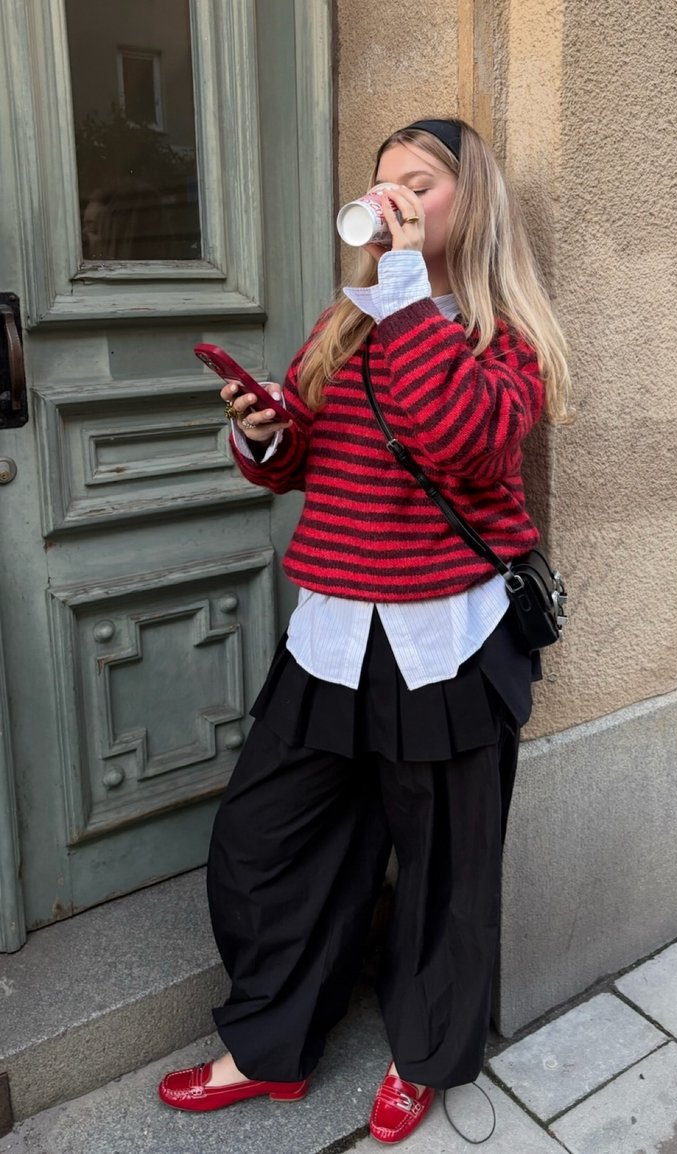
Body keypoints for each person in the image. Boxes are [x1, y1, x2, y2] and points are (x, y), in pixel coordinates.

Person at [158, 117, 571, 1144]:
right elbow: (299, 453)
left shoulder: (499, 335)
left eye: (417, 183)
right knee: (264, 841)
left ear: (466, 202)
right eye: (380, 184)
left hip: (446, 643)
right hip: (334, 637)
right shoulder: (344, 321)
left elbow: (457, 437)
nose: (391, 199)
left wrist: (398, 286)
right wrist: (261, 430)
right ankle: (271, 1043)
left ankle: (421, 1052)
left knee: (441, 867)